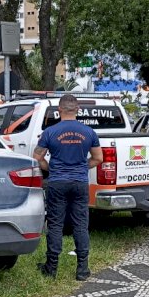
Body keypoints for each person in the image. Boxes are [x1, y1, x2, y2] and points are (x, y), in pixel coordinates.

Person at [33, 95, 103, 281]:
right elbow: (98, 158)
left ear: (59, 110)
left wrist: (52, 168)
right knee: (80, 224)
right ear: (77, 109)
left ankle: (51, 267)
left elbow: (38, 157)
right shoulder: (89, 132)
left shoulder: (50, 132)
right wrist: (80, 167)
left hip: (57, 182)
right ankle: (82, 269)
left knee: (55, 224)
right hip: (80, 183)